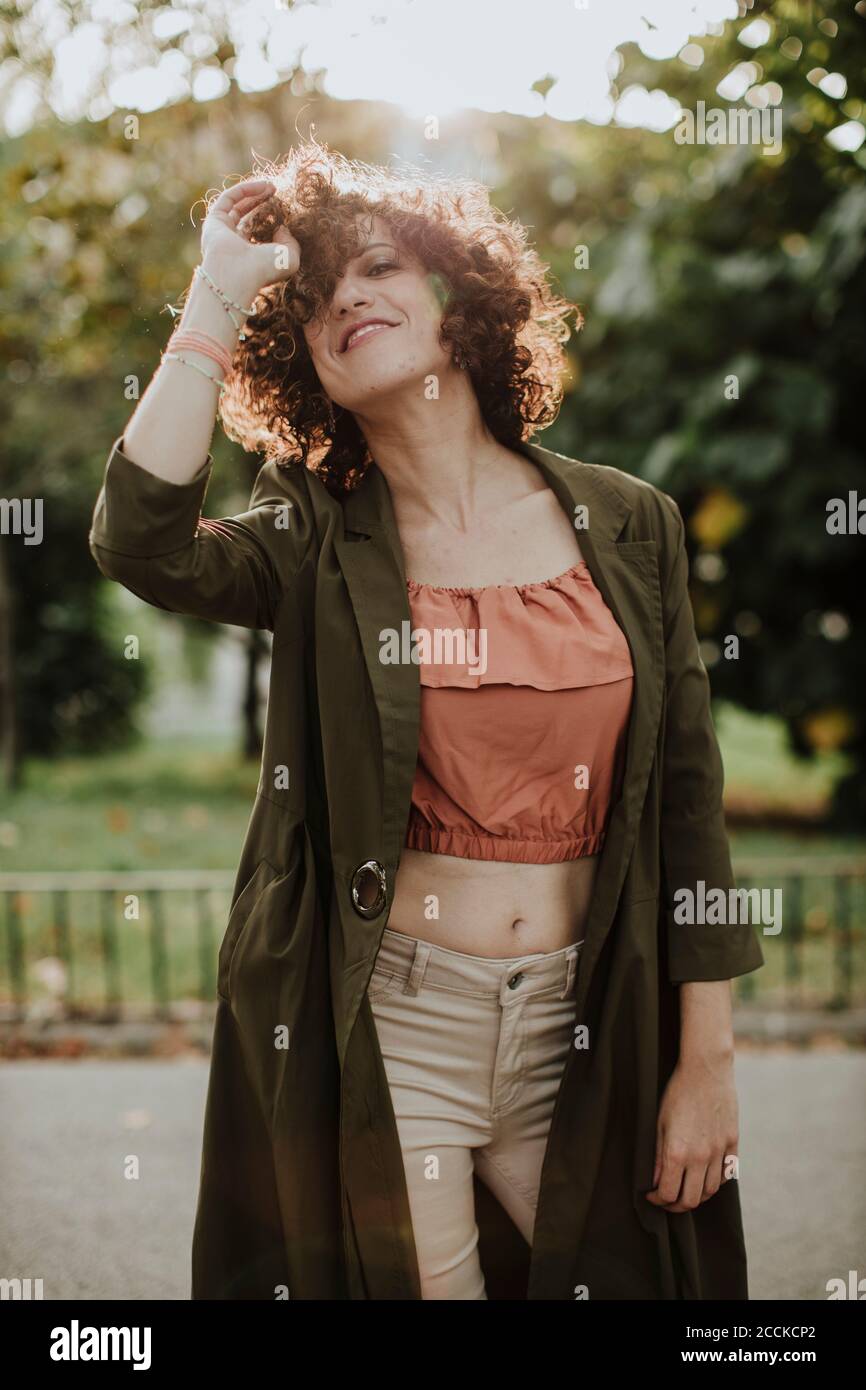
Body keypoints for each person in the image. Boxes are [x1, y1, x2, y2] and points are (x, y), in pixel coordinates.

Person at [89, 141, 764, 1300]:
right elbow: (140, 543)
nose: (345, 298)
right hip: (392, 1027)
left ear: (458, 301)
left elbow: (689, 807)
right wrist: (213, 291)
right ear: (302, 364)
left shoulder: (626, 520)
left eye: (380, 268)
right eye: (310, 302)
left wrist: (705, 1060)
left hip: (591, 1010)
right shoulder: (309, 532)